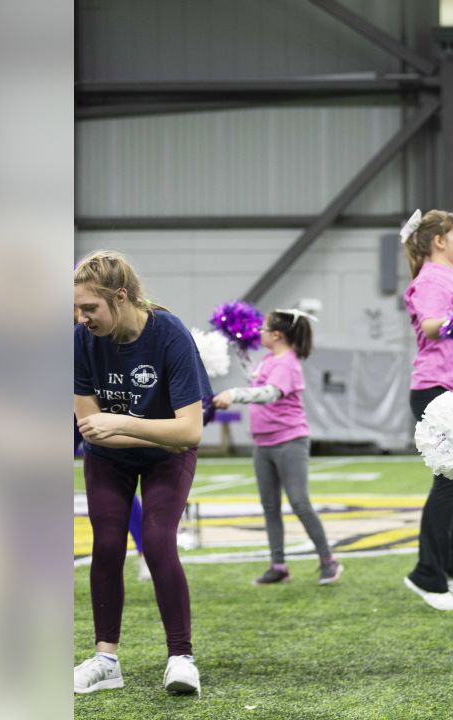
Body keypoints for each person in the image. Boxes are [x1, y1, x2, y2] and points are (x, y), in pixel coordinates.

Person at [73, 250, 210, 695]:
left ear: (121, 296)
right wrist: (154, 431)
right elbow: (90, 431)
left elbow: (189, 433)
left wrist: (123, 423)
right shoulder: (79, 340)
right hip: (111, 458)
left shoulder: (169, 334)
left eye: (89, 308)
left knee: (156, 539)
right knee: (107, 544)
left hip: (167, 459)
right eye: (76, 308)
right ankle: (105, 660)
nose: (81, 317)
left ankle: (181, 657)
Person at [396, 209, 453, 611]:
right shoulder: (430, 279)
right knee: (451, 481)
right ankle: (426, 574)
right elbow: (433, 325)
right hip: (437, 390)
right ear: (439, 241)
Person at [213, 308, 342, 586]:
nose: (258, 333)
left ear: (277, 335)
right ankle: (278, 565)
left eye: (263, 329)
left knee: (299, 502)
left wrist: (233, 394)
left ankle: (328, 561)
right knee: (270, 506)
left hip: (289, 442)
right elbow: (255, 378)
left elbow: (269, 394)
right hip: (263, 444)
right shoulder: (270, 360)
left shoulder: (287, 363)